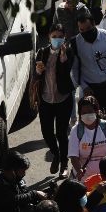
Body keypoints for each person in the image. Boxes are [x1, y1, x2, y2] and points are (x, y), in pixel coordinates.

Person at [34, 23, 75, 176]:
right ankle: (56, 154)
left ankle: (64, 163)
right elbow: (36, 76)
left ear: (64, 38)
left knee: (61, 133)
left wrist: (63, 58)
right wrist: (38, 72)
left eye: (60, 37)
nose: (57, 39)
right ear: (49, 37)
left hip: (63, 98)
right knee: (46, 132)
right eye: (54, 36)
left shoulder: (68, 52)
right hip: (45, 99)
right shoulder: (42, 52)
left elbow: (66, 73)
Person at [70, 14, 106, 119]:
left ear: (94, 24)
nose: (85, 32)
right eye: (81, 30)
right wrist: (84, 86)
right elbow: (74, 70)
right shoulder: (75, 43)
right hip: (90, 90)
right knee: (92, 122)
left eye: (88, 28)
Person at [68, 96, 106, 182]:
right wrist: (79, 171)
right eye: (84, 112)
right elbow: (73, 156)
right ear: (80, 114)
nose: (87, 115)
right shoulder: (76, 130)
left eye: (90, 111)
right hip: (84, 179)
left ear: (96, 111)